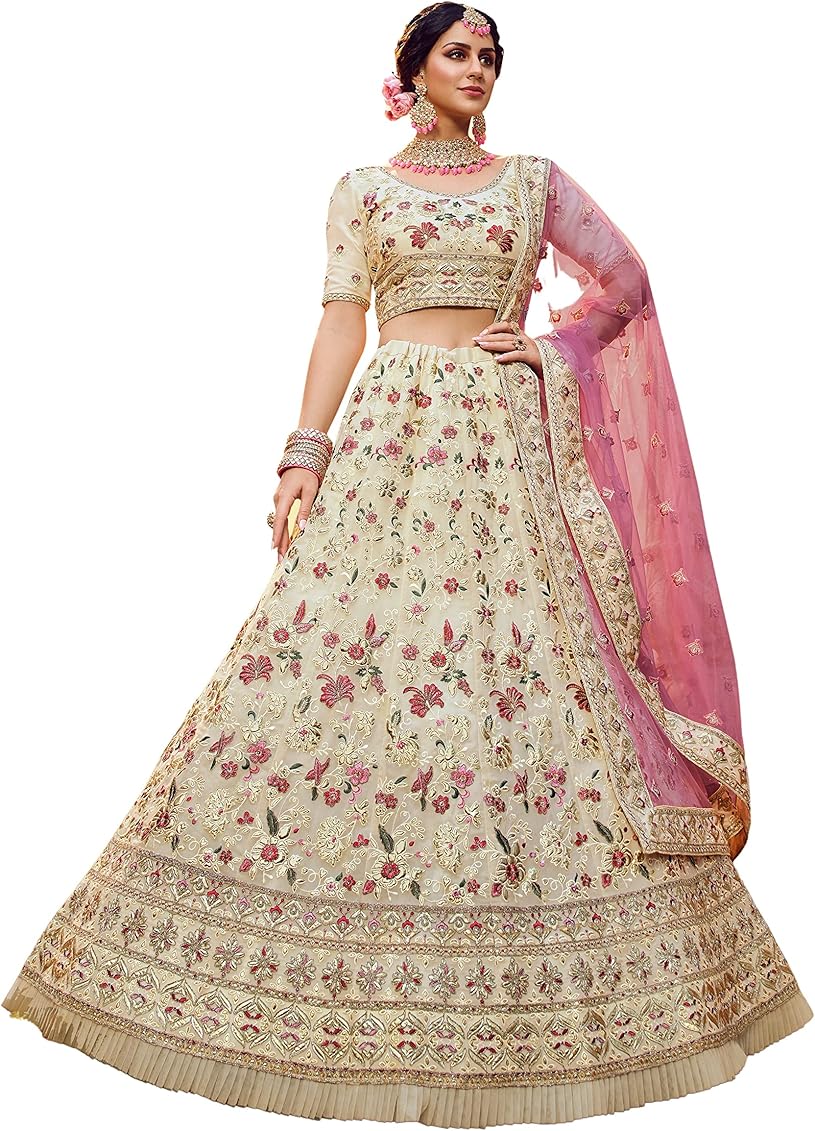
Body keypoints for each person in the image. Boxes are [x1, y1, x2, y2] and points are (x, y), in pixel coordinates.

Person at [3, 4, 811, 1126]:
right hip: (389, 444)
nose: (476, 70)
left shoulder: (533, 181)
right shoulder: (361, 191)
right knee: (337, 663)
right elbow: (342, 321)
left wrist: (550, 345)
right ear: (411, 71)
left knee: (532, 674)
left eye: (489, 57)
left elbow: (625, 279)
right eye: (456, 54)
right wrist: (303, 452)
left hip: (502, 440)